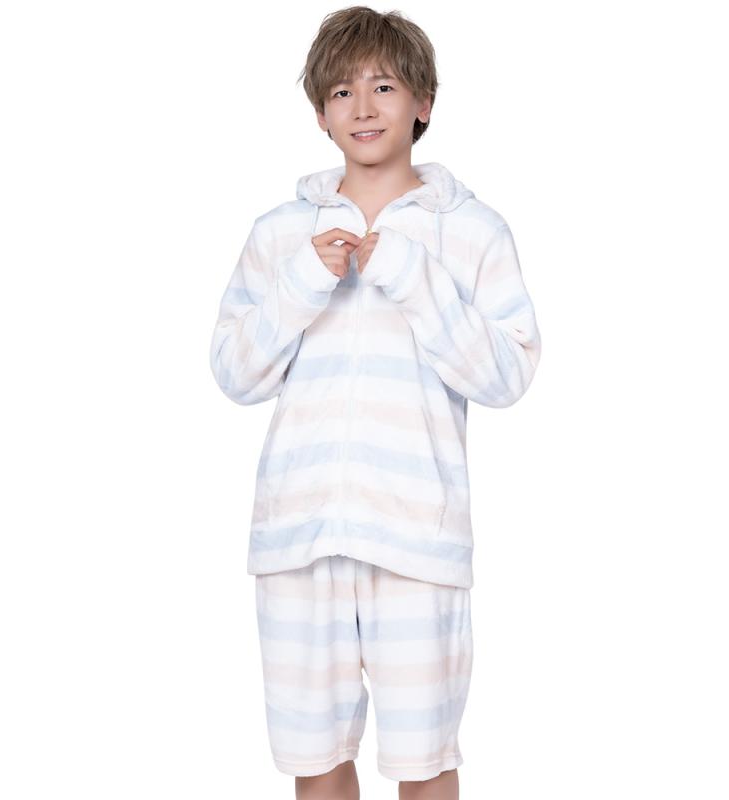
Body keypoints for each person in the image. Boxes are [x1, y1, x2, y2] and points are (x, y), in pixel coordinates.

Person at [209, 6, 541, 798]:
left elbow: (507, 376)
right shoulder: (280, 234)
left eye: (384, 86)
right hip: (298, 540)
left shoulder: (473, 232)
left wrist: (414, 278)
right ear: (320, 114)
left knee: (424, 763)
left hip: (417, 540)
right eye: (341, 91)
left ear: (423, 101)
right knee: (315, 761)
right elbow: (234, 373)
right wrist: (302, 281)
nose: (363, 106)